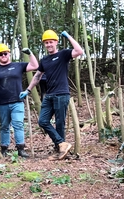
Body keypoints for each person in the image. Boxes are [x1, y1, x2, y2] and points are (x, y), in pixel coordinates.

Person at [20, 30, 83, 160]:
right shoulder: (44, 60)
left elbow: (79, 51)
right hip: (49, 95)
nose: (49, 45)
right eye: (46, 42)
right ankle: (62, 144)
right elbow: (38, 75)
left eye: (51, 42)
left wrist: (69, 36)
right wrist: (28, 90)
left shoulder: (63, 54)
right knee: (42, 121)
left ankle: (60, 150)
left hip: (61, 94)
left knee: (60, 123)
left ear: (56, 42)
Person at [0, 43, 39, 158]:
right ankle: (4, 149)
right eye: (0, 54)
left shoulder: (18, 66)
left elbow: (35, 66)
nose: (3, 55)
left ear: (9, 54)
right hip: (1, 103)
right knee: (4, 126)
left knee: (18, 125)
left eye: (5, 53)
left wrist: (30, 54)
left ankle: (20, 149)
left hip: (17, 101)